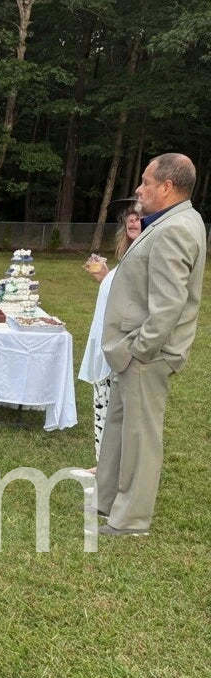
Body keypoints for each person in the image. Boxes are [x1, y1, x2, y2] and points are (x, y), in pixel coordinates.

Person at [97, 152, 206, 536]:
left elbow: (168, 305)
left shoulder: (176, 228)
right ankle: (108, 500)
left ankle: (131, 520)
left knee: (140, 437)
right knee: (119, 427)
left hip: (147, 355)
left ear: (167, 186)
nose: (139, 189)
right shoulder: (171, 221)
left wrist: (138, 350)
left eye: (146, 182)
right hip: (134, 352)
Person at [78, 202, 142, 469]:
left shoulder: (146, 259)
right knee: (102, 406)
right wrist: (105, 277)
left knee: (115, 410)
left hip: (121, 348)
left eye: (140, 217)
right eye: (130, 217)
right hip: (105, 344)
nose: (133, 220)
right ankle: (103, 465)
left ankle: (112, 469)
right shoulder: (128, 259)